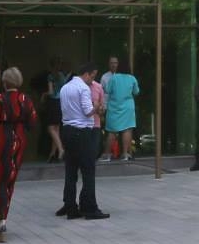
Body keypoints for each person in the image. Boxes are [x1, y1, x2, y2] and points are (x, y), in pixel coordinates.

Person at [0, 67, 39, 242]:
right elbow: (33, 123)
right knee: (8, 182)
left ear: (4, 83)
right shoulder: (24, 100)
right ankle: (2, 221)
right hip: (16, 144)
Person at [55, 61, 109, 220]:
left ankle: (70, 206)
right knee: (88, 170)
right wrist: (96, 107)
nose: (93, 80)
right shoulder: (83, 88)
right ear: (86, 74)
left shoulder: (65, 87)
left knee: (71, 170)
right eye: (92, 76)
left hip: (67, 130)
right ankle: (90, 208)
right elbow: (87, 111)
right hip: (82, 131)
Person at [102, 55, 141, 162]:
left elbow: (107, 90)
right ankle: (125, 154)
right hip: (128, 108)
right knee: (127, 129)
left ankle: (107, 155)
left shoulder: (114, 78)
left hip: (114, 107)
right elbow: (136, 92)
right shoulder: (132, 78)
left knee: (111, 131)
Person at [39, 74, 65, 162]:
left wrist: (44, 94)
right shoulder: (62, 76)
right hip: (60, 103)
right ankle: (53, 154)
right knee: (56, 129)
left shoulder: (51, 76)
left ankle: (61, 149)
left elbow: (51, 92)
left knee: (50, 128)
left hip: (53, 103)